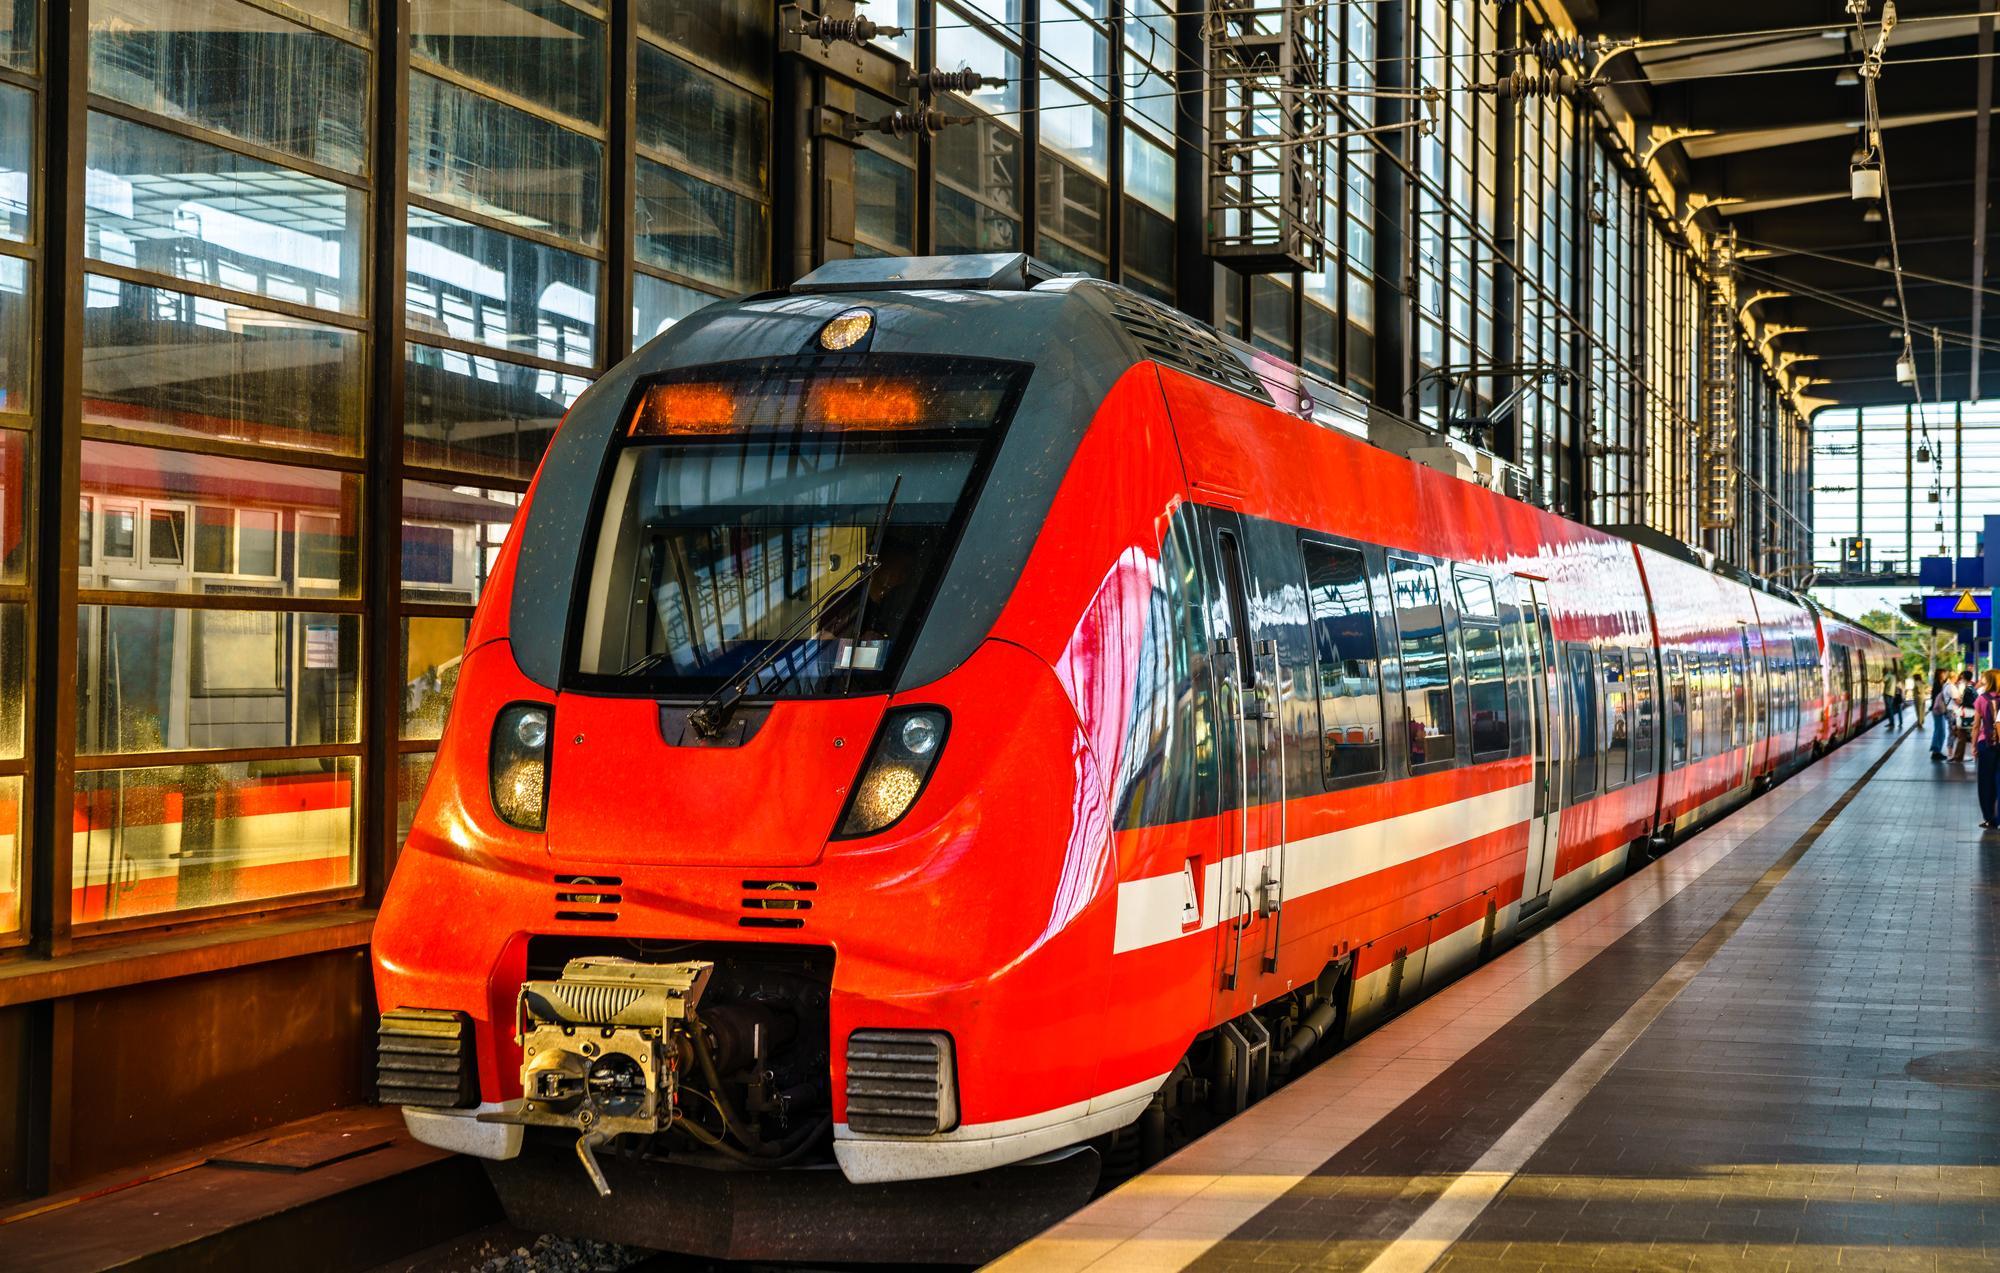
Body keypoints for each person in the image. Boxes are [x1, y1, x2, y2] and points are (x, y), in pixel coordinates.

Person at [1976, 669, 2000, 831]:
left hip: (1986, 744)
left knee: (1985, 782)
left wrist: (1972, 746)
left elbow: (1976, 725)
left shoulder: (1981, 699)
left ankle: (1989, 817)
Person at [1951, 669, 1978, 764]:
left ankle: (1958, 757)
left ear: (1963, 677)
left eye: (1962, 677)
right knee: (1962, 736)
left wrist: (1962, 704)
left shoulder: (1968, 689)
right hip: (1970, 715)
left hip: (1966, 715)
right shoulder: (1972, 688)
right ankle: (1958, 757)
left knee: (1961, 735)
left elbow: (1970, 703)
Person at [1930, 669, 1954, 760]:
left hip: (1938, 710)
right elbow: (1939, 698)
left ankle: (1936, 750)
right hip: (1937, 710)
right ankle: (1936, 751)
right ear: (1939, 674)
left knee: (1940, 731)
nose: (1945, 675)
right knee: (1940, 731)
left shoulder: (1940, 684)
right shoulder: (1938, 684)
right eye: (1944, 673)